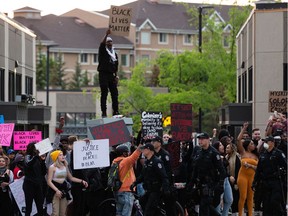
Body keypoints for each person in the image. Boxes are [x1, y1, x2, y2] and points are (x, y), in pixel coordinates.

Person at [189, 132, 226, 216]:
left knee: (204, 207)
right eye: (199, 139)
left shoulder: (214, 153)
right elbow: (195, 169)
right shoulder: (198, 152)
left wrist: (220, 184)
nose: (200, 141)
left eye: (202, 139)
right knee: (205, 206)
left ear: (208, 140)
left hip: (210, 184)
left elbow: (222, 170)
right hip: (200, 184)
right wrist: (191, 183)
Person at [131, 143, 170, 216]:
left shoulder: (157, 161)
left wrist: (166, 189)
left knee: (148, 211)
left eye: (145, 149)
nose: (143, 151)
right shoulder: (147, 162)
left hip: (156, 190)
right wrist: (134, 183)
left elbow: (164, 176)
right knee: (141, 202)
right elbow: (142, 175)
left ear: (150, 151)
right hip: (149, 190)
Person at [253, 136, 287, 216]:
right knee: (266, 203)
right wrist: (255, 181)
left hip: (276, 182)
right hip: (265, 182)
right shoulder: (263, 155)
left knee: (275, 201)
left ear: (272, 143)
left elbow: (285, 166)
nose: (265, 144)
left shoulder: (278, 153)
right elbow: (259, 169)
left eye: (267, 142)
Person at [47, 150, 88, 216]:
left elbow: (71, 178)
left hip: (63, 189)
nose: (63, 156)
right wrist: (56, 190)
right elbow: (49, 181)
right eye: (60, 155)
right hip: (55, 190)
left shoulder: (65, 166)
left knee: (63, 212)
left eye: (62, 154)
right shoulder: (52, 167)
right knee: (55, 213)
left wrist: (82, 181)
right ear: (56, 157)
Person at [113, 144, 142, 216]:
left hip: (118, 191)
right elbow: (135, 155)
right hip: (126, 191)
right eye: (127, 152)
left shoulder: (115, 162)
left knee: (119, 213)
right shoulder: (125, 162)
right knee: (126, 214)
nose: (128, 153)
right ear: (124, 153)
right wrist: (141, 143)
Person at [237, 122, 258, 216]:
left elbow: (258, 168)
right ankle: (240, 214)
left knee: (251, 198)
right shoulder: (243, 152)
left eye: (253, 144)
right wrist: (244, 129)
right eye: (252, 143)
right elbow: (238, 139)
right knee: (243, 196)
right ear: (248, 145)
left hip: (252, 177)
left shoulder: (256, 155)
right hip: (242, 176)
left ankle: (250, 214)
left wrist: (250, 166)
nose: (253, 145)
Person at [151, 135, 176, 216]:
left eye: (154, 142)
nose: (152, 143)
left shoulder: (165, 154)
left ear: (159, 143)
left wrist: (165, 184)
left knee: (169, 205)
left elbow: (168, 171)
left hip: (165, 183)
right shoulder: (152, 154)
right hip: (155, 183)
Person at [97, 28, 119, 117]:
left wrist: (116, 76)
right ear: (106, 43)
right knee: (104, 93)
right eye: (108, 41)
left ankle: (116, 111)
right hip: (103, 74)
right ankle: (104, 112)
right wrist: (106, 35)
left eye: (111, 41)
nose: (109, 43)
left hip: (111, 75)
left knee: (115, 93)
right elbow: (101, 44)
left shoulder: (114, 54)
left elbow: (116, 66)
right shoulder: (103, 51)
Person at [23, 142, 45, 216]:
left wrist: (43, 161)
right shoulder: (27, 156)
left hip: (38, 185)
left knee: (40, 206)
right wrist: (36, 156)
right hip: (29, 185)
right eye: (36, 148)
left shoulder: (38, 158)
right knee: (29, 207)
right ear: (32, 148)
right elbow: (28, 164)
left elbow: (43, 172)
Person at [212, 141, 233, 216]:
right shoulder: (214, 157)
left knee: (229, 199)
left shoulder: (223, 156)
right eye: (220, 145)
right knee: (218, 201)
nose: (222, 146)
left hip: (225, 179)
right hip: (218, 180)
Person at [225, 143, 241, 216]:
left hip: (235, 181)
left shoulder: (236, 157)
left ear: (232, 149)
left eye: (228, 148)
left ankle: (235, 213)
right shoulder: (226, 157)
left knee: (235, 197)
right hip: (228, 180)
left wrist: (236, 183)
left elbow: (238, 170)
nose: (226, 149)